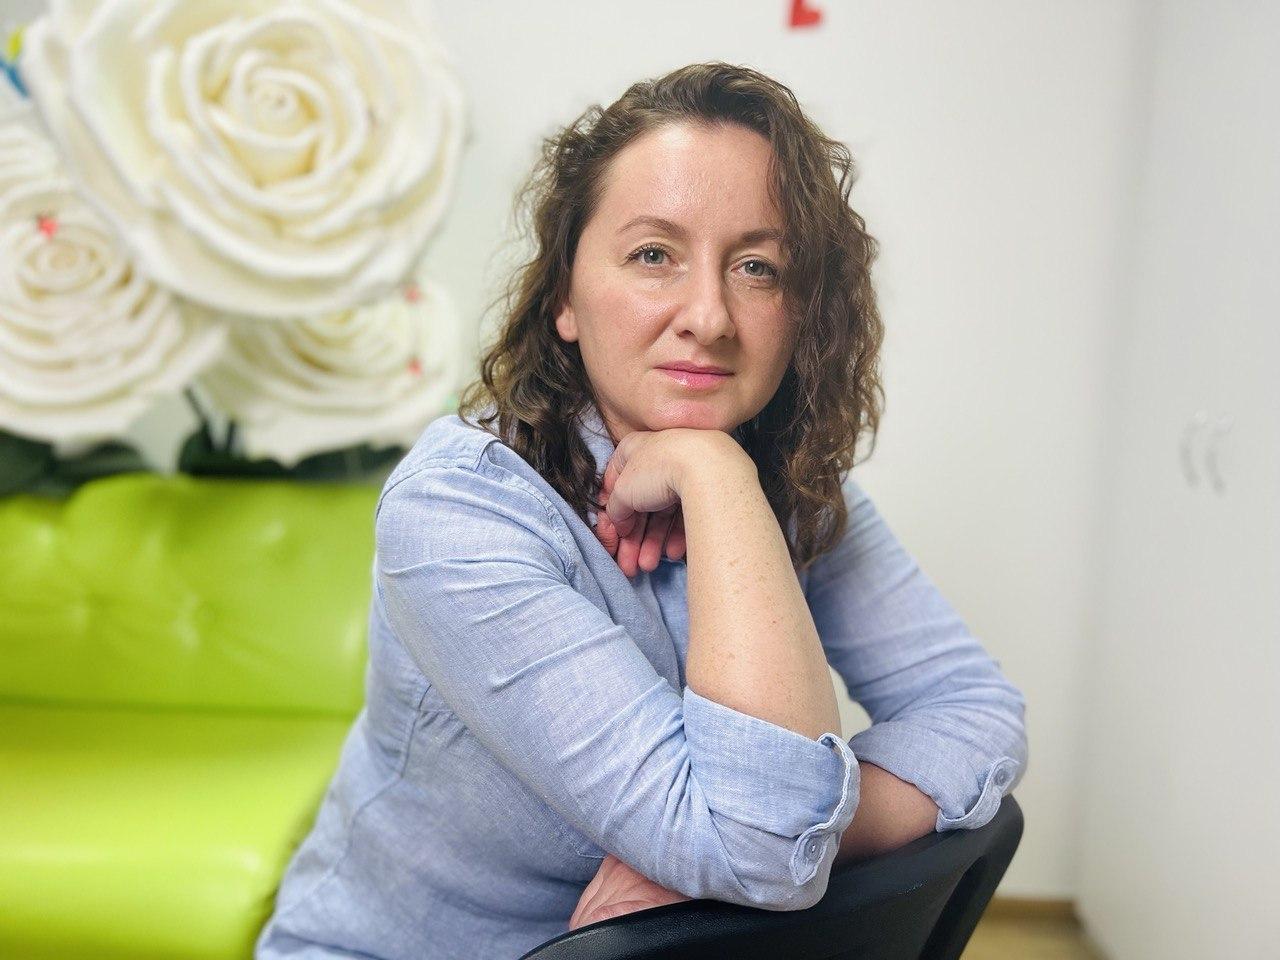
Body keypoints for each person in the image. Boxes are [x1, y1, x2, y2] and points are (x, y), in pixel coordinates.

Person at [255, 61, 1028, 960]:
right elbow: (767, 849)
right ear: (564, 298)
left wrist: (717, 481)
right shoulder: (457, 511)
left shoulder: (783, 485)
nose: (710, 316)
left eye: (758, 267)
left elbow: (972, 709)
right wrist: (718, 471)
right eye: (654, 254)